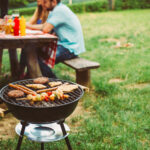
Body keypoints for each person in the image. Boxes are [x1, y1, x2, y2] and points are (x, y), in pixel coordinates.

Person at [26, 0, 86, 77]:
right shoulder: (56, 10)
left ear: (54, 2)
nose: (42, 4)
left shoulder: (59, 10)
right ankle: (31, 77)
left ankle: (55, 83)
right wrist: (28, 26)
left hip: (71, 48)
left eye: (45, 2)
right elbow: (45, 26)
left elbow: (45, 29)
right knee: (32, 51)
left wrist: (26, 26)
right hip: (65, 44)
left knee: (39, 58)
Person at [19, 0, 51, 78]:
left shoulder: (50, 10)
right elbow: (31, 22)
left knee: (28, 49)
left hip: (47, 41)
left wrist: (27, 25)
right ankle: (22, 73)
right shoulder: (39, 9)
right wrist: (24, 24)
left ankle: (47, 77)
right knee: (25, 47)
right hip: (39, 38)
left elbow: (45, 27)